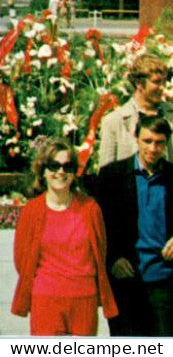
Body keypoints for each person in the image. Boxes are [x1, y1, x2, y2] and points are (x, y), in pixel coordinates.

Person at [97, 116, 173, 337]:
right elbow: (100, 227)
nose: (153, 148)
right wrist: (113, 258)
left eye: (159, 142)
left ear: (167, 143)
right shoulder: (111, 176)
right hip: (127, 281)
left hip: (168, 282)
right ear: (137, 139)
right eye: (147, 141)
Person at [11, 138, 117, 337]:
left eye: (67, 166)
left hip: (84, 298)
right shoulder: (31, 211)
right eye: (54, 166)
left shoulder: (91, 208)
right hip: (46, 299)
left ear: (74, 172)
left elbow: (100, 252)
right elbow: (22, 261)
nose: (60, 172)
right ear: (42, 171)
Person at [98, 52, 173, 177]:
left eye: (164, 82)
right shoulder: (115, 121)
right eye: (156, 82)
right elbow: (106, 176)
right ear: (139, 84)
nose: (162, 87)